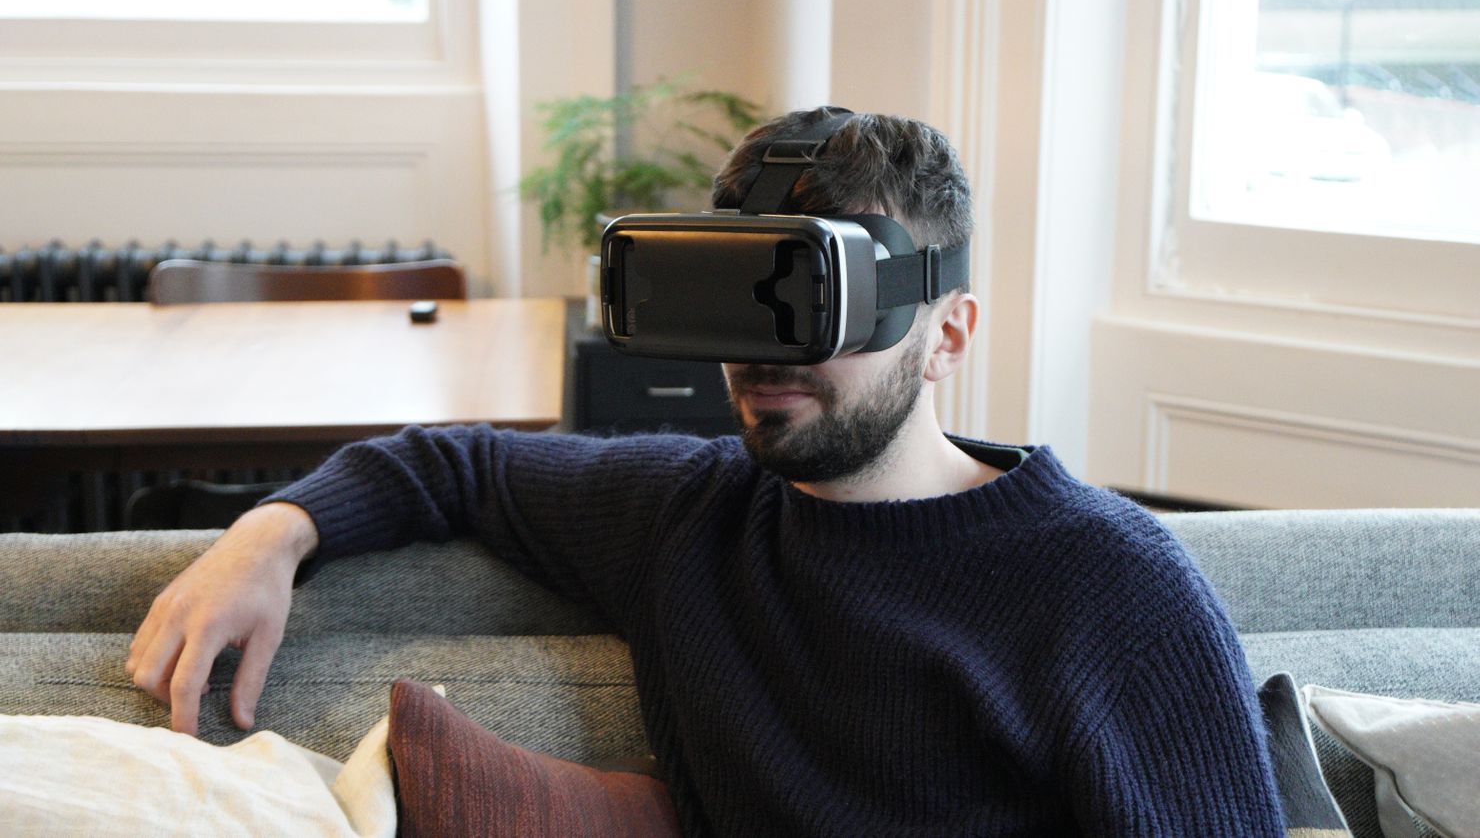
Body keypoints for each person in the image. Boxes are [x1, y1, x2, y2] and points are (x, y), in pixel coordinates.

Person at [126, 109, 1286, 836]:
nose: (766, 356)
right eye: (745, 296)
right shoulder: (691, 518)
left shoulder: (1110, 593)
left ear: (947, 333)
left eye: (815, 302)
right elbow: (452, 465)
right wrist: (268, 535)